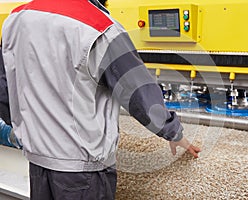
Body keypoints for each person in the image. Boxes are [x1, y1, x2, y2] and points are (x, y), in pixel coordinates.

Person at [1, 0, 201, 199]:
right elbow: (139, 93)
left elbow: (6, 88)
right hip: (82, 171)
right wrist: (173, 132)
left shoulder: (17, 18)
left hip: (38, 162)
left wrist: (27, 132)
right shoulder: (100, 27)